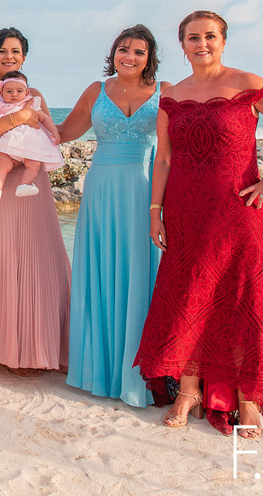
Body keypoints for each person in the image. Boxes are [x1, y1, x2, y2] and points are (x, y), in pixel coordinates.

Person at [137, 11, 263, 437]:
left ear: (223, 41)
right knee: (188, 296)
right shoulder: (171, 96)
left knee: (242, 298)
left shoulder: (248, 84)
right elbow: (164, 159)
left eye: (210, 36)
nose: (202, 44)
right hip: (185, 212)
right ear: (182, 44)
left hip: (239, 212)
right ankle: (189, 391)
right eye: (193, 37)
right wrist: (155, 211)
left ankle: (248, 399)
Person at [57, 25, 169, 407]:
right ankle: (100, 369)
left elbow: (173, 149)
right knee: (102, 270)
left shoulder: (165, 91)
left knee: (140, 271)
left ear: (149, 57)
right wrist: (22, 118)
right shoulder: (96, 90)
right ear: (113, 53)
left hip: (143, 190)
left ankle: (139, 372)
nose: (129, 57)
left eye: (138, 51)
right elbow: (64, 132)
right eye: (123, 49)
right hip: (101, 190)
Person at [0, 27, 70, 376]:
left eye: (15, 51)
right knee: (0, 258)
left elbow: (48, 133)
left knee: (40, 256)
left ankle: (42, 346)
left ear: (23, 57)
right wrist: (18, 117)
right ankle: (6, 349)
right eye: (2, 51)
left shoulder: (33, 93)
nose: (8, 57)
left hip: (31, 179)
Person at [0, 71, 63, 199]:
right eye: (9, 91)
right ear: (1, 93)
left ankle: (24, 184)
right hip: (8, 143)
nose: (14, 94)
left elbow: (43, 118)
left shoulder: (31, 103)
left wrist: (53, 131)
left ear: (27, 93)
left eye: (19, 91)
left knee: (34, 164)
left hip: (28, 145)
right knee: (2, 163)